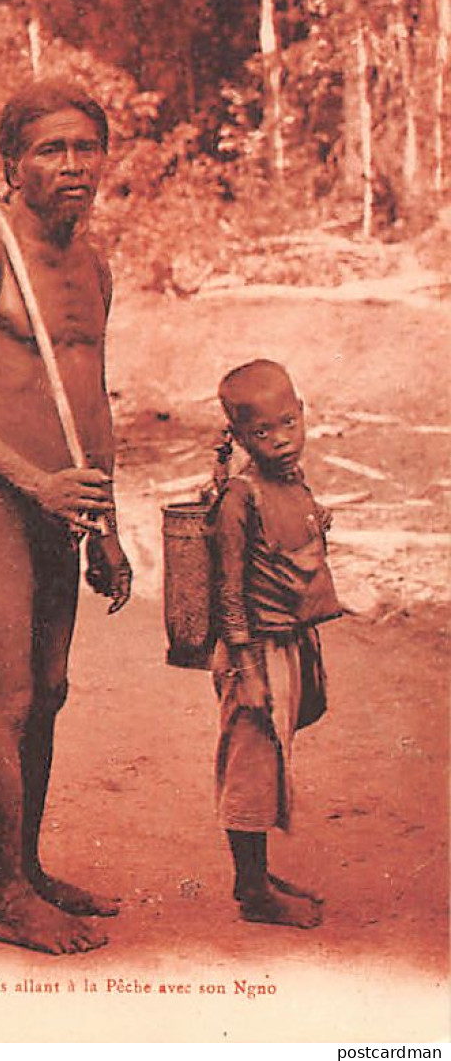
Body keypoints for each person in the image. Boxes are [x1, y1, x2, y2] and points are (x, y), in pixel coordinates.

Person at [0, 79, 132, 955]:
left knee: (49, 692)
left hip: (64, 506)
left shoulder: (91, 265)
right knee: (5, 697)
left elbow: (88, 397)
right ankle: (1, 896)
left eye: (86, 147)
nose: (72, 165)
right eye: (51, 149)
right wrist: (34, 484)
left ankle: (28, 870)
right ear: (13, 164)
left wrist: (104, 518)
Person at [210, 359, 341, 928]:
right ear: (237, 437)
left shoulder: (288, 480)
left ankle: (256, 875)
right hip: (254, 650)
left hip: (285, 642)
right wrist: (248, 668)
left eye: (288, 423)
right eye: (261, 433)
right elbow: (229, 588)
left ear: (304, 412)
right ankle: (252, 892)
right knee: (253, 767)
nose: (281, 440)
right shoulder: (240, 496)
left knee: (270, 760)